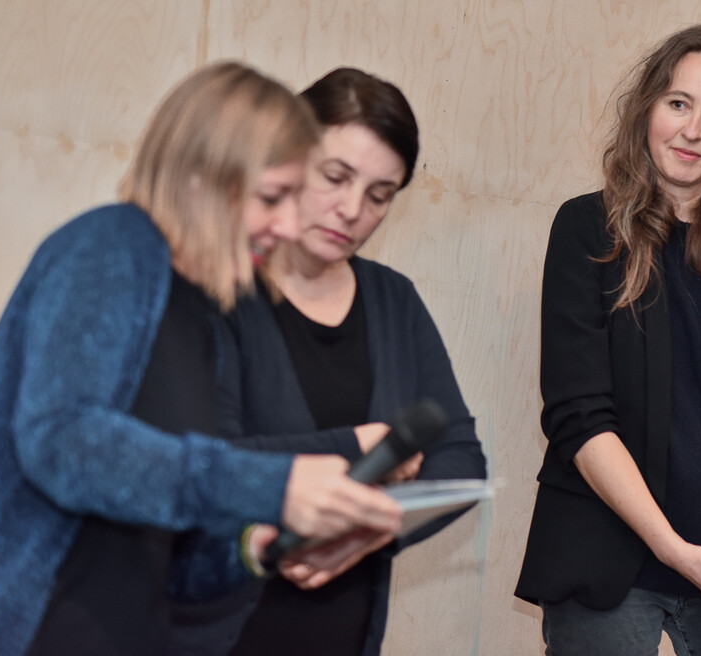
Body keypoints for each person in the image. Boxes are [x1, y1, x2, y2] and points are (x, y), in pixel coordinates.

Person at [0, 61, 402, 656]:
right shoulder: (110, 244)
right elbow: (63, 441)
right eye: (272, 198)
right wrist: (273, 483)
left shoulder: (209, 316)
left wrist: (254, 547)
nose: (288, 225)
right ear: (201, 180)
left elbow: (170, 556)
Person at [515, 24, 701, 655]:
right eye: (678, 104)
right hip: (607, 559)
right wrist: (673, 549)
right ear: (647, 106)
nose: (693, 131)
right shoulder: (585, 227)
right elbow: (578, 415)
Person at [190, 66, 486, 656]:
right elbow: (198, 460)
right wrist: (361, 449)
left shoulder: (393, 300)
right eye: (335, 177)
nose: (352, 209)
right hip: (216, 629)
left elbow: (460, 461)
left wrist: (367, 534)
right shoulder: (215, 291)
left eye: (380, 195)